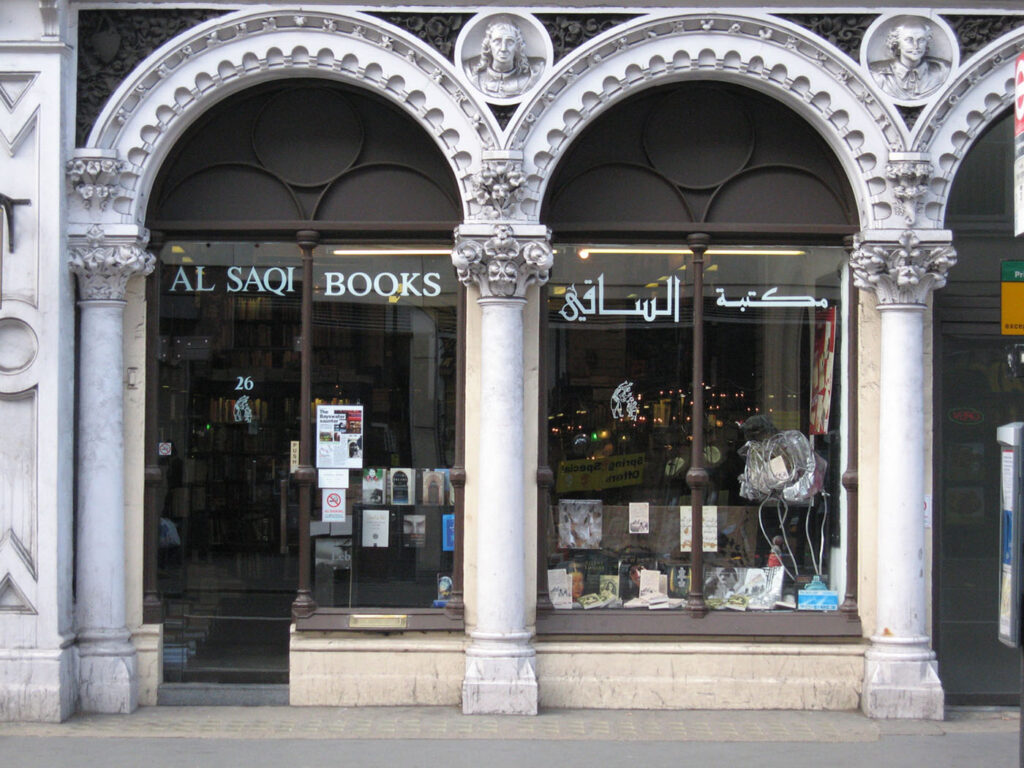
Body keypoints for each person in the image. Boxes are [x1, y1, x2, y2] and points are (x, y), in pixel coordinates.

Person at [870, 19, 950, 99]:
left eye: (921, 40)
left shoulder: (942, 72)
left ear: (927, 43)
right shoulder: (878, 76)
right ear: (897, 43)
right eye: (909, 40)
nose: (916, 46)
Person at [467, 20, 541, 98]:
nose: (503, 48)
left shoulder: (535, 72)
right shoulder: (471, 73)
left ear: (517, 46)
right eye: (497, 42)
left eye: (510, 42)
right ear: (489, 45)